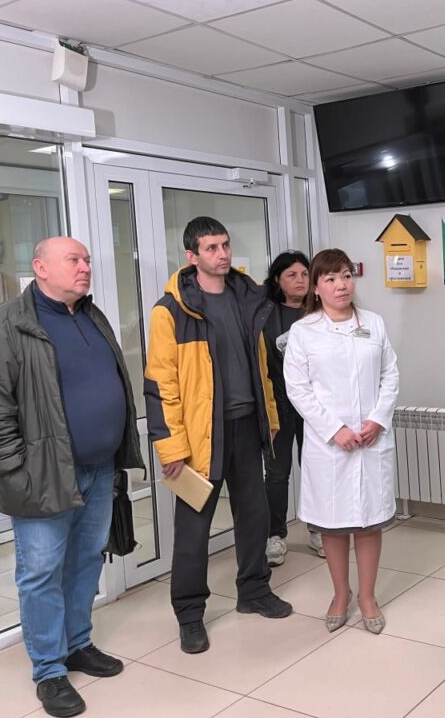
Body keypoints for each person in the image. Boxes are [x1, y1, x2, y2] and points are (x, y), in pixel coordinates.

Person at [0, 237, 144, 718]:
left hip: (99, 468)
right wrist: (15, 467)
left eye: (87, 259)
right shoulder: (5, 326)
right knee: (41, 572)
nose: (85, 267)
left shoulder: (91, 315)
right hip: (41, 474)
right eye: (74, 260)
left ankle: (77, 644)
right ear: (41, 267)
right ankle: (49, 670)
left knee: (86, 561)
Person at [145, 216, 292, 656]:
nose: (222, 254)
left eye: (225, 245)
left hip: (247, 426)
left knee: (254, 516)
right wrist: (170, 446)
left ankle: (254, 590)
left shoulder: (247, 298)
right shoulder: (170, 310)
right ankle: (190, 615)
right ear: (191, 256)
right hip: (198, 437)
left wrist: (270, 417)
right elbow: (160, 385)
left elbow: (262, 367)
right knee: (193, 531)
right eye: (211, 248)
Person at [283, 249, 399, 634]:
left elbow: (390, 375)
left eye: (346, 276)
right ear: (316, 288)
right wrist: (335, 430)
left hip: (370, 440)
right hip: (329, 445)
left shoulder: (374, 324)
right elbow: (298, 389)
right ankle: (340, 594)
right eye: (330, 279)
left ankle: (367, 597)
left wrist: (377, 420)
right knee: (333, 525)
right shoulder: (303, 332)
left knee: (368, 522)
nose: (341, 285)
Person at [261, 250, 325, 565]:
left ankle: (319, 530)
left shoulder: (320, 312)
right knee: (277, 472)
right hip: (279, 403)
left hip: (315, 404)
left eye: (304, 274)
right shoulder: (264, 315)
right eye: (292, 275)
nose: (300, 281)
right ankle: (275, 536)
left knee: (316, 467)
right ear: (277, 280)